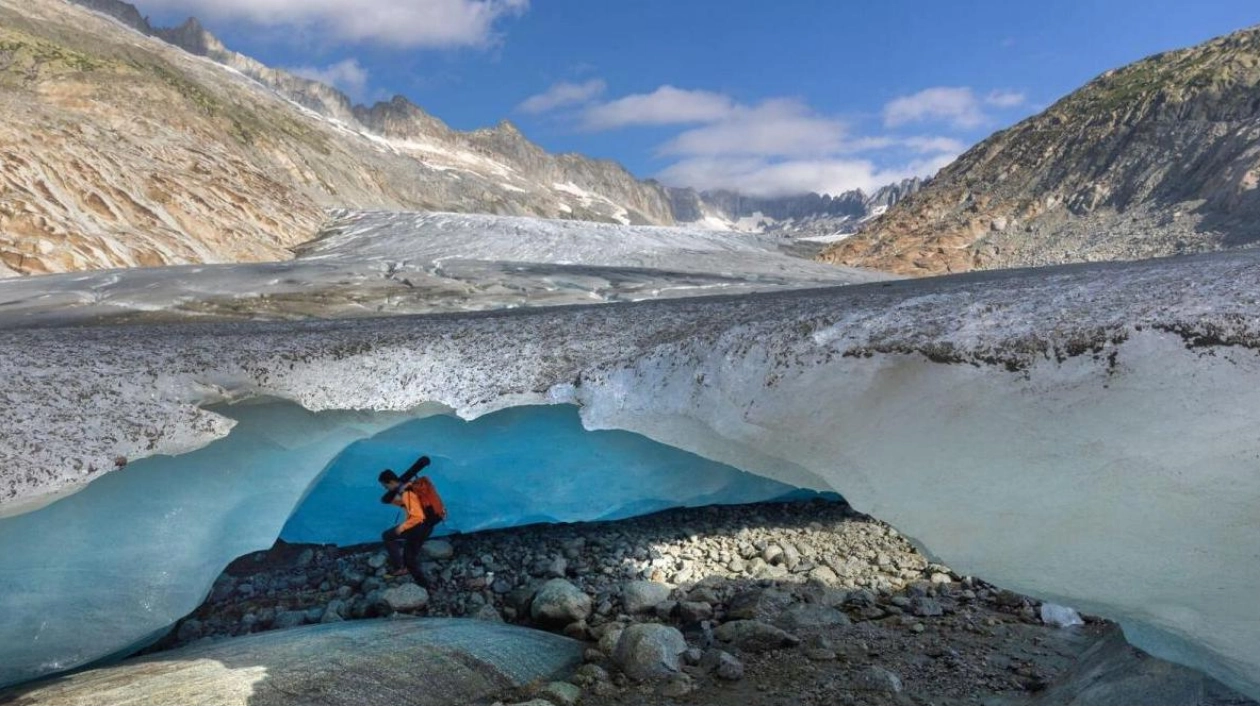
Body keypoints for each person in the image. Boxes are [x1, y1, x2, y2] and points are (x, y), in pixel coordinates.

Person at [378, 456, 446, 586]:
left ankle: (422, 585)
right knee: (407, 550)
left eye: (385, 485)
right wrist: (394, 501)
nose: (385, 488)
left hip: (418, 527)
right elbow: (411, 504)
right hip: (429, 524)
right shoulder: (412, 486)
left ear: (391, 482)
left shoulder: (407, 492)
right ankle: (404, 568)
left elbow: (417, 517)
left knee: (407, 557)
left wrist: (401, 528)